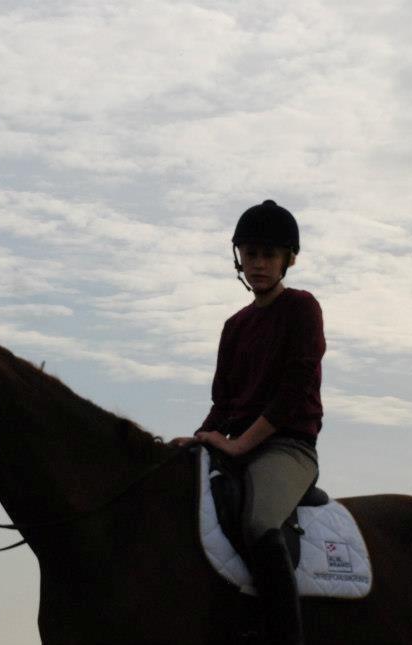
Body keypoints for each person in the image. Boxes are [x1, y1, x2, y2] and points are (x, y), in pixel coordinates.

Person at [174, 199, 325, 645]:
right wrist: (200, 439)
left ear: (288, 260)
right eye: (251, 253)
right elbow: (223, 404)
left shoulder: (302, 308)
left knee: (259, 523)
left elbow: (293, 392)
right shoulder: (234, 326)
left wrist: (240, 444)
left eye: (269, 255)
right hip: (235, 448)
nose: (258, 264)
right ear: (239, 257)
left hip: (287, 448)